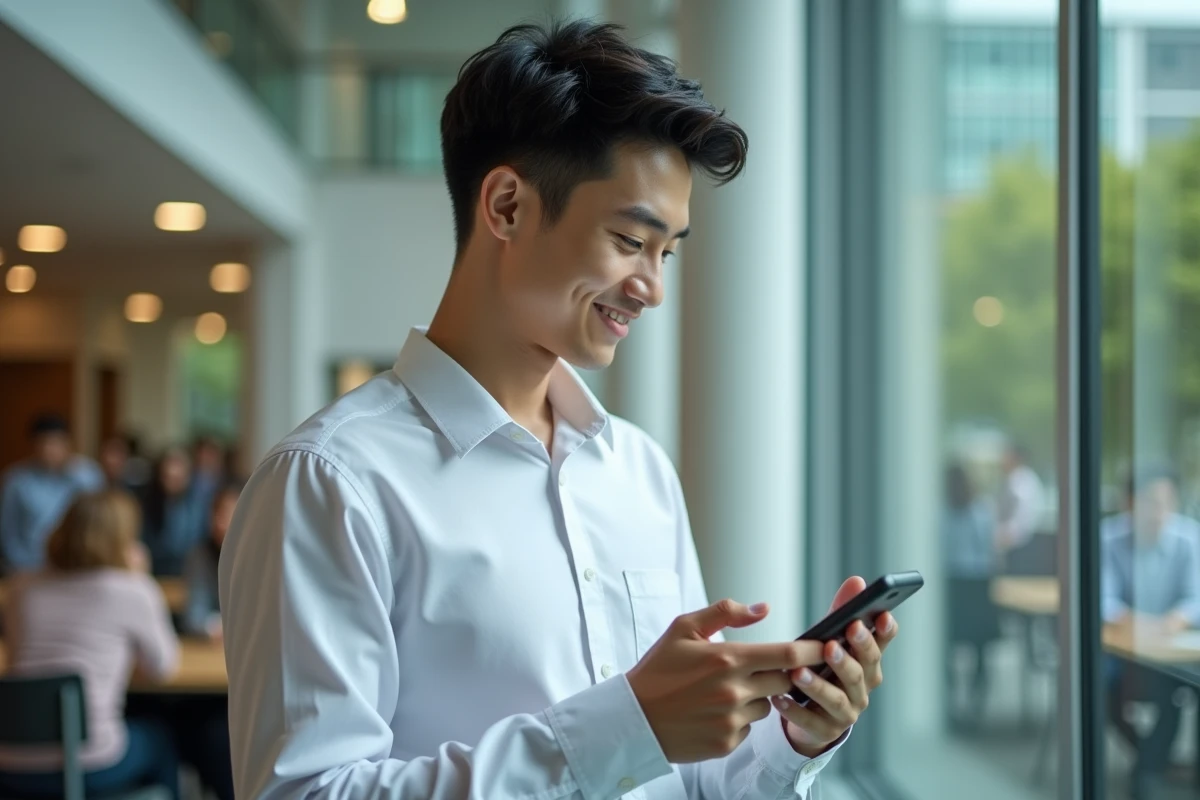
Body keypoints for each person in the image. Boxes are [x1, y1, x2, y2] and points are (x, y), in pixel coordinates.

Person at [220, 20, 900, 800]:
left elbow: (689, 783)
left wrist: (790, 741)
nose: (653, 287)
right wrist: (623, 728)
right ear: (507, 205)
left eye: (668, 251)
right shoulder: (330, 483)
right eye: (628, 240)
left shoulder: (638, 470)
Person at [0, 491, 181, 800]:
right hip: (91, 763)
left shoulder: (20, 587)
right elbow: (163, 668)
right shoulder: (133, 590)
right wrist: (139, 576)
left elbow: (19, 654)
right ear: (123, 538)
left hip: (11, 760)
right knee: (161, 738)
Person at [1101, 466, 1200, 799]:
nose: (1158, 511)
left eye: (1166, 501)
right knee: (1099, 689)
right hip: (1123, 650)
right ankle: (1152, 762)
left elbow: (1196, 598)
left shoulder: (1189, 538)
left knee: (1174, 693)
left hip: (1173, 650)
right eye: (1149, 501)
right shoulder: (1108, 537)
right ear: (1129, 503)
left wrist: (1176, 618)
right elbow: (1102, 600)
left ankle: (1149, 769)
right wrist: (1139, 622)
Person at [0, 414, 103, 573]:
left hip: (79, 568)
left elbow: (99, 524)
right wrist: (23, 569)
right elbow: (8, 533)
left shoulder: (88, 475)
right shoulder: (16, 481)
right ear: (33, 445)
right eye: (42, 443)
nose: (48, 450)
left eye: (55, 442)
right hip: (29, 568)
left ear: (68, 443)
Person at [941, 461, 1000, 728]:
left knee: (977, 649)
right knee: (958, 650)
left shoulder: (978, 512)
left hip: (970, 584)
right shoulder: (949, 513)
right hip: (962, 584)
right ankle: (957, 703)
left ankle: (972, 706)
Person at [140, 447, 207, 576]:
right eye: (166, 477)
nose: (171, 481)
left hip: (188, 572)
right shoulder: (148, 504)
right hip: (156, 572)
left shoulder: (197, 507)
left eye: (176, 478)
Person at [995, 442, 1046, 556]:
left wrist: (1008, 536)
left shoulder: (1021, 481)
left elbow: (1023, 513)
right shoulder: (1015, 479)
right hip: (1014, 542)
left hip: (1018, 545)